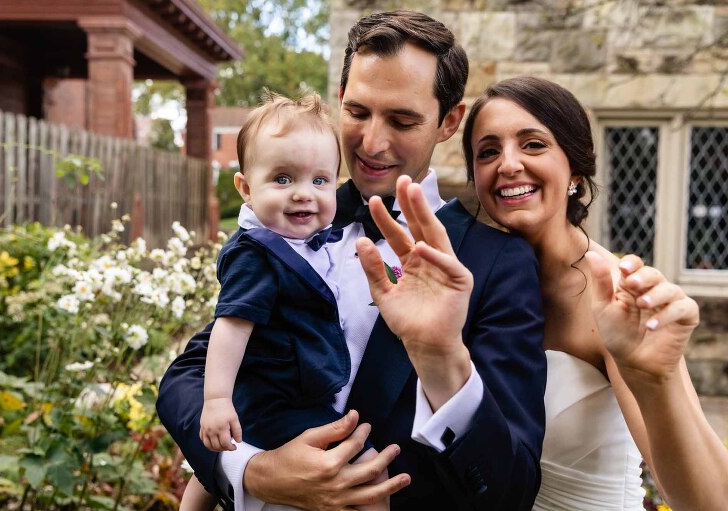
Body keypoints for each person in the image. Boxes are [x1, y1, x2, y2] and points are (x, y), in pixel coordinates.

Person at [157, 10, 547, 511]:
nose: (372, 143)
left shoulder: (497, 263)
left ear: (449, 121)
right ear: (339, 100)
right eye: (358, 112)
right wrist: (253, 470)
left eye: (403, 120)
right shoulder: (289, 219)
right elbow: (187, 377)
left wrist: (442, 358)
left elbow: (510, 489)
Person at [361, 75, 728, 510]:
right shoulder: (460, 281)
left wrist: (658, 379)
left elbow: (709, 501)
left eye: (533, 144)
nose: (508, 164)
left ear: (574, 166)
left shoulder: (615, 295)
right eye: (488, 151)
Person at [178, 91, 386, 511]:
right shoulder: (258, 254)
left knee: (209, 470)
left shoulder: (305, 241)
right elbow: (231, 327)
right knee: (369, 472)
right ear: (246, 188)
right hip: (275, 399)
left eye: (319, 180)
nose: (303, 194)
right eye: (283, 179)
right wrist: (216, 400)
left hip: (280, 393)